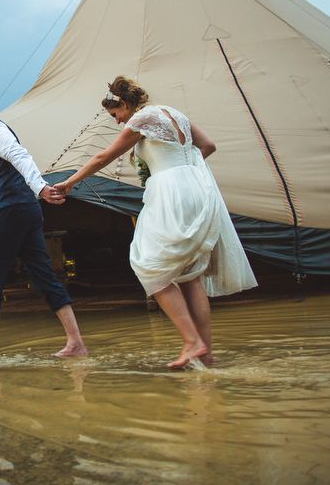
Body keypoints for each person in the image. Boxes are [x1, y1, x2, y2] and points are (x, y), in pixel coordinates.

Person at [54, 77, 257, 368]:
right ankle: (206, 353)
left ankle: (192, 342)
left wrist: (70, 183)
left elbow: (103, 157)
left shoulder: (142, 118)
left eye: (115, 115)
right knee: (189, 275)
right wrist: (183, 167)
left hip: (170, 191)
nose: (117, 122)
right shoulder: (176, 114)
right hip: (198, 187)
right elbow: (209, 146)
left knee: (148, 266)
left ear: (123, 104)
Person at [0, 95, 88, 365]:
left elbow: (18, 154)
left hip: (8, 209)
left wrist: (41, 187)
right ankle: (75, 342)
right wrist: (36, 191)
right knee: (44, 274)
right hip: (26, 209)